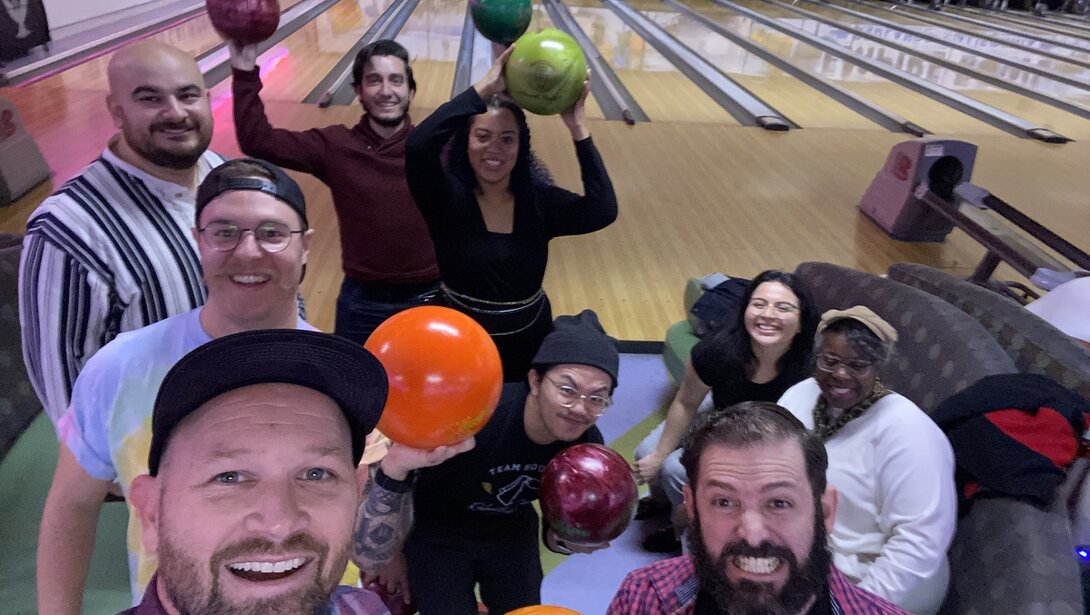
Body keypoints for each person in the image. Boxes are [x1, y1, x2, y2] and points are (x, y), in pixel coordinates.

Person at [38, 159, 317, 613]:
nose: (248, 252)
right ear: (198, 242)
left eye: (272, 233)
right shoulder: (120, 368)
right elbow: (71, 506)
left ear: (305, 247)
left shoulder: (342, 378)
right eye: (224, 233)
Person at [19, 40, 224, 430]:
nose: (175, 113)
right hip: (154, 447)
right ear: (116, 111)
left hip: (241, 413)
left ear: (207, 99)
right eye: (150, 99)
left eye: (187, 95)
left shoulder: (221, 172)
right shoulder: (66, 230)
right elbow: (67, 394)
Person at [123, 328, 403, 613]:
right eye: (229, 477)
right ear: (152, 513)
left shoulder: (363, 608)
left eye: (316, 474)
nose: (279, 524)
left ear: (357, 496)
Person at [366, 310, 619, 614]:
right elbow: (399, 479)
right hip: (437, 531)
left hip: (510, 530)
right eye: (567, 390)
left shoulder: (586, 448)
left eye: (597, 398)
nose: (580, 408)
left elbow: (557, 526)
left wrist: (567, 540)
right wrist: (392, 553)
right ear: (535, 381)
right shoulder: (477, 417)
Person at [405, 48, 618, 381]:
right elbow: (418, 146)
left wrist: (578, 127)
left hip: (528, 339)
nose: (494, 149)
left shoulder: (539, 202)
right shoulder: (444, 197)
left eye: (507, 139)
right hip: (458, 340)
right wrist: (482, 90)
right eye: (482, 136)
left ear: (521, 147)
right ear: (465, 142)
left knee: (517, 410)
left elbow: (603, 209)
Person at [608, 401, 912, 615]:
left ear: (826, 513)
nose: (753, 535)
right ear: (692, 508)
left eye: (779, 503)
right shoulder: (643, 598)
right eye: (724, 502)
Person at [229, 39, 439, 344]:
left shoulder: (434, 145)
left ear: (410, 90)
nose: (386, 91)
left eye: (396, 80)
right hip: (363, 302)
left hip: (430, 298)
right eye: (374, 80)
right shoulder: (336, 146)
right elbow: (257, 140)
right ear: (358, 91)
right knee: (351, 375)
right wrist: (244, 68)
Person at [777, 307, 957, 615]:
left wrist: (856, 605)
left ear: (878, 367)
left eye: (858, 365)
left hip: (867, 575)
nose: (840, 374)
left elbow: (918, 543)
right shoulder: (800, 396)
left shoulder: (909, 432)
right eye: (830, 360)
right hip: (801, 552)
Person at [634, 270, 818, 552]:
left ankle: (681, 526)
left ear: (802, 322)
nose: (768, 315)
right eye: (759, 304)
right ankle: (660, 500)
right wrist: (657, 455)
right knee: (647, 453)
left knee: (675, 470)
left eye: (783, 308)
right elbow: (685, 402)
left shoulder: (811, 367)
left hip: (768, 437)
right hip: (722, 410)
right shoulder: (718, 350)